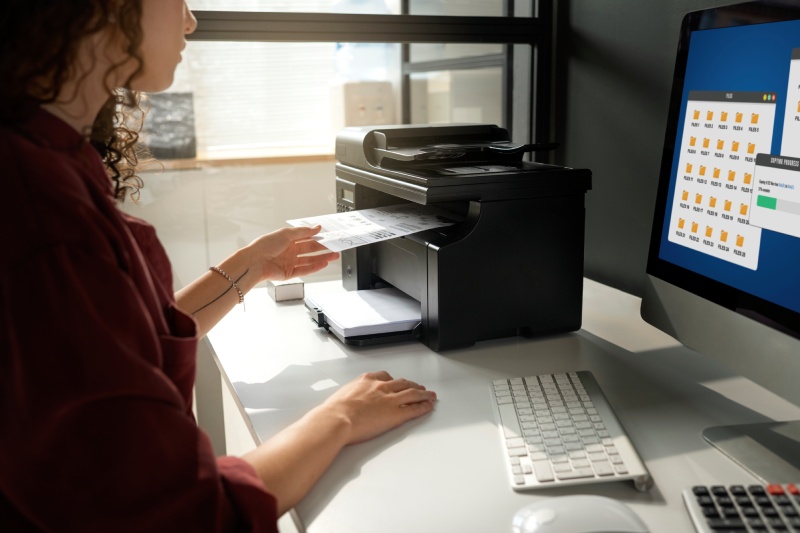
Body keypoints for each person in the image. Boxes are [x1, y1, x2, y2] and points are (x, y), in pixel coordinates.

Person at [0, 1, 437, 531]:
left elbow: (126, 341)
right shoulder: (47, 218)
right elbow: (182, 512)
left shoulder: (52, 158)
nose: (190, 21)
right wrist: (340, 416)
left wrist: (252, 266)